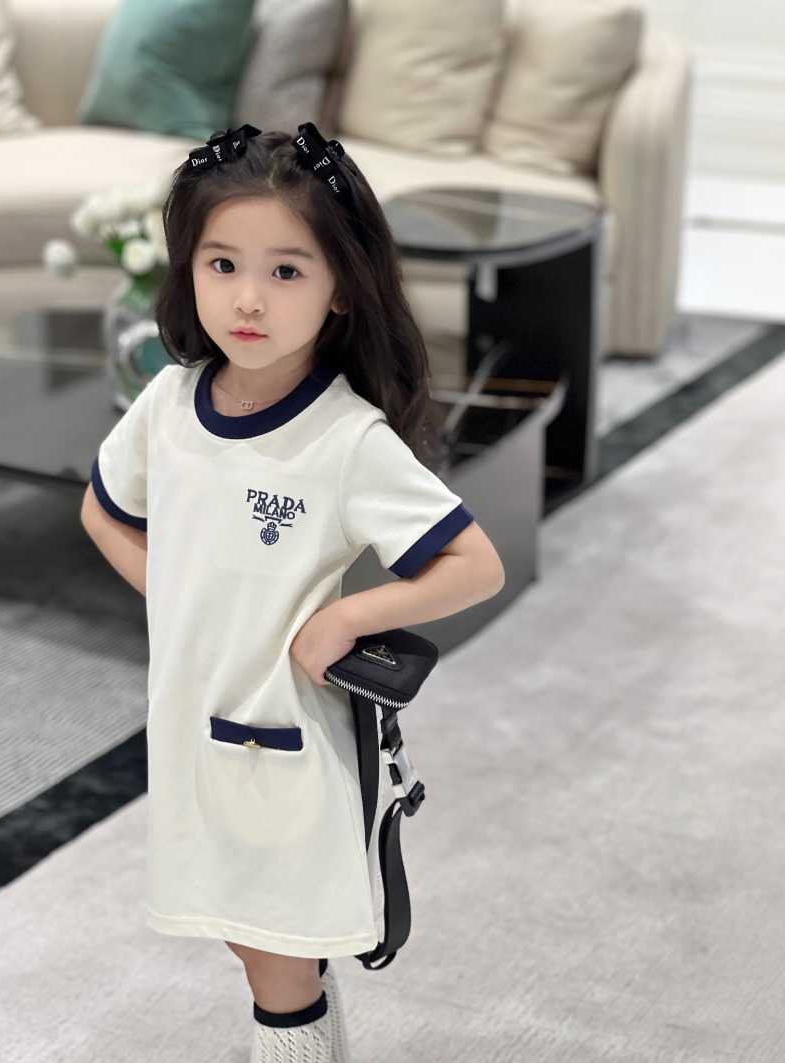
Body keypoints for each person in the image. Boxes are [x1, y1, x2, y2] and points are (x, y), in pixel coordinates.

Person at [81, 123, 505, 1062]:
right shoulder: (168, 403)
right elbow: (103, 512)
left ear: (341, 286)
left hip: (282, 743)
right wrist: (180, 601)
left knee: (277, 957)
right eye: (222, 263)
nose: (248, 297)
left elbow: (474, 563)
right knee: (255, 945)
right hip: (191, 732)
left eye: (285, 271)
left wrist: (350, 615)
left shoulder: (347, 441)